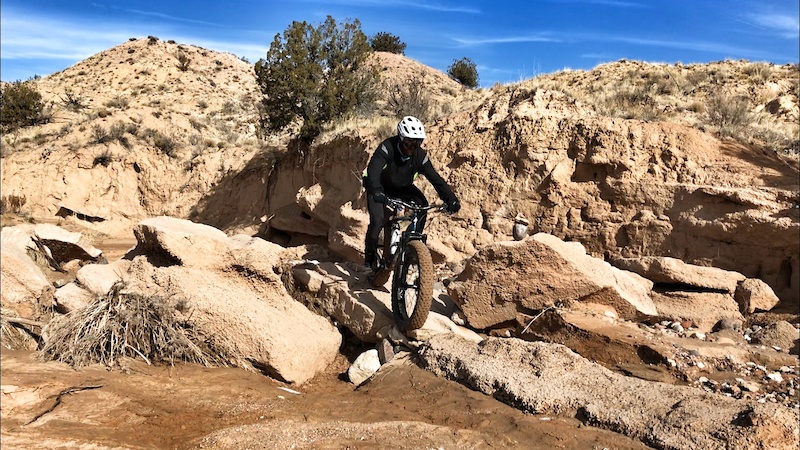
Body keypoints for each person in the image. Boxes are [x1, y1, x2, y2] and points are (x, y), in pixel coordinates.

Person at [362, 116, 460, 271]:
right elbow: (373, 170)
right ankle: (370, 257)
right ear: (401, 138)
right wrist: (376, 191)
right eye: (408, 142)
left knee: (423, 206)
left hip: (403, 188)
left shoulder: (419, 155)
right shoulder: (387, 147)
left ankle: (413, 245)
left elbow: (435, 179)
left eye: (417, 143)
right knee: (378, 221)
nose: (412, 147)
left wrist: (451, 199)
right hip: (379, 187)